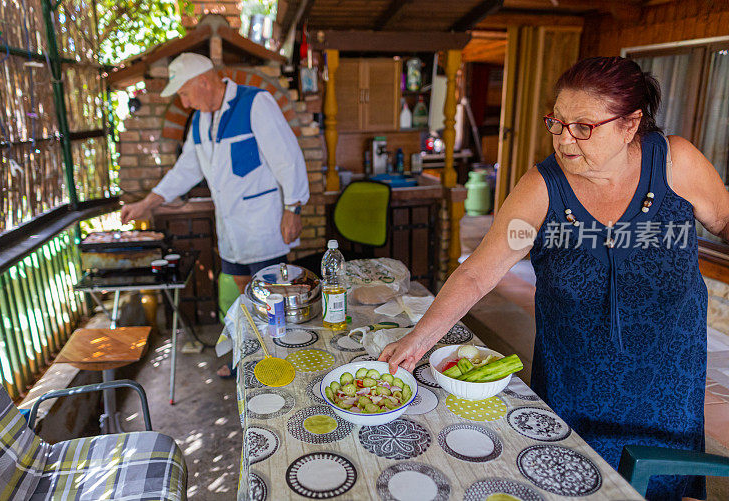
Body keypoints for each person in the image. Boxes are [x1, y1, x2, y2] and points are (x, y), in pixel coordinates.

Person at [380, 56, 728, 501]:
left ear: (629, 124)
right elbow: (478, 272)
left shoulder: (676, 163)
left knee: (663, 478)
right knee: (571, 481)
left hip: (667, 375)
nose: (565, 139)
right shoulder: (543, 188)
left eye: (583, 126)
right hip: (575, 376)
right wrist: (418, 340)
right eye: (557, 123)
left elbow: (724, 220)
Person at [121, 53, 309, 375]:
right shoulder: (200, 120)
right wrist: (146, 204)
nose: (184, 101)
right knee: (242, 293)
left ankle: (278, 362)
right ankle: (247, 363)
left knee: (272, 298)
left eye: (184, 93)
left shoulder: (256, 103)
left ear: (204, 82)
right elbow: (186, 170)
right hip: (231, 226)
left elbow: (287, 158)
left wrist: (293, 208)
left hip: (263, 222)